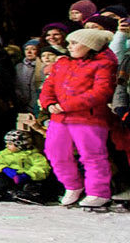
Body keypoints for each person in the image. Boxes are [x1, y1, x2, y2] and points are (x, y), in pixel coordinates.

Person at [39, 28, 117, 209]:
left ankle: (98, 191)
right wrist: (49, 103)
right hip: (59, 117)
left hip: (88, 118)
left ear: (90, 46)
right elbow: (48, 86)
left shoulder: (103, 64)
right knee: (55, 151)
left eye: (75, 43)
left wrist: (67, 105)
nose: (69, 46)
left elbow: (101, 92)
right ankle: (72, 185)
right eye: (69, 43)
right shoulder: (62, 63)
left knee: (92, 154)